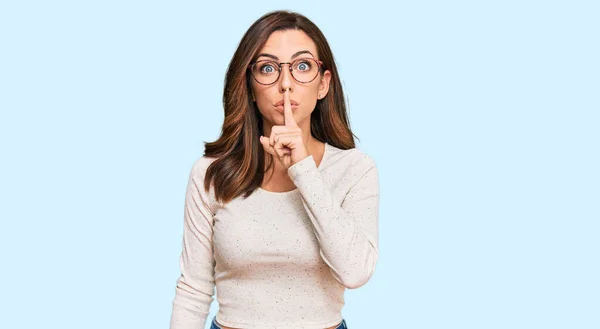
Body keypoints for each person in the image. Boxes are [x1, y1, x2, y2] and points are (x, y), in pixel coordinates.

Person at [169, 10, 380, 329]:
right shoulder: (211, 173)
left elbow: (355, 272)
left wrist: (303, 169)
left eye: (302, 66)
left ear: (323, 84)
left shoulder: (355, 170)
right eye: (268, 68)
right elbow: (193, 290)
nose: (285, 84)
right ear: (251, 87)